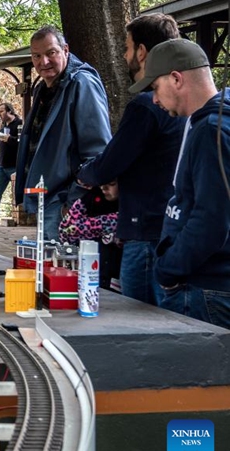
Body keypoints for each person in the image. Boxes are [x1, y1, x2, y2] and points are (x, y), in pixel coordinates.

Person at [77, 13, 183, 307]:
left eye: (126, 48)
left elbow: (112, 160)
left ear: (141, 51)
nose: (124, 56)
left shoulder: (146, 106)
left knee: (139, 316)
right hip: (169, 227)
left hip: (146, 228)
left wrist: (85, 174)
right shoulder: (183, 107)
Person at [129, 38, 230, 326]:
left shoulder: (211, 129)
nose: (155, 100)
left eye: (156, 88)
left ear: (176, 79)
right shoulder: (210, 122)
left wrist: (168, 270)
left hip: (204, 289)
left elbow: (210, 219)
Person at [14, 25, 112, 241]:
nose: (43, 62)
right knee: (49, 270)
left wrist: (73, 201)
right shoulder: (44, 88)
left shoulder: (81, 83)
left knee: (66, 270)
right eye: (36, 56)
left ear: (65, 50)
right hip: (46, 199)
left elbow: (97, 150)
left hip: (64, 203)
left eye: (51, 53)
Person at [58, 181, 122, 289]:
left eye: (111, 184)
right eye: (102, 183)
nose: (104, 187)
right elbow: (65, 231)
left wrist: (86, 227)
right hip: (91, 272)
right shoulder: (90, 197)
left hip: (116, 271)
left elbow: (122, 223)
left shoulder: (129, 204)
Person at [0, 102, 22, 209]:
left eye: (2, 111)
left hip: (14, 165)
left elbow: (21, 142)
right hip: (1, 165)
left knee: (17, 193)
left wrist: (8, 138)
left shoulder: (19, 123)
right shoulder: (4, 124)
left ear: (9, 111)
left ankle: (20, 216)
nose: (0, 114)